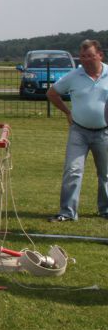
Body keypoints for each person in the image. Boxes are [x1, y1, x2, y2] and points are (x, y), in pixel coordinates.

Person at [46, 39, 108, 222]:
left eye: (90, 55)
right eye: (83, 56)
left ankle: (105, 210)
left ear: (100, 55)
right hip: (78, 131)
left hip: (104, 132)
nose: (86, 59)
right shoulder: (74, 76)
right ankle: (67, 213)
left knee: (105, 173)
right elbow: (52, 93)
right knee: (72, 170)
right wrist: (67, 112)